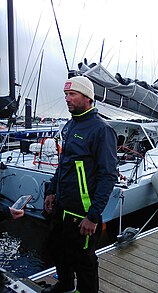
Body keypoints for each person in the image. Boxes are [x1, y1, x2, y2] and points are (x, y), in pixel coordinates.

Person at [42, 76, 118, 293]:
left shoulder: (101, 130)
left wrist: (93, 216)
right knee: (57, 249)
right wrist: (50, 191)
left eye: (72, 94)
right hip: (62, 208)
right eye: (66, 94)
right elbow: (64, 164)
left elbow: (108, 176)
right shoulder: (70, 125)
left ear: (87, 97)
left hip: (82, 213)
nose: (67, 99)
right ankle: (65, 287)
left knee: (84, 262)